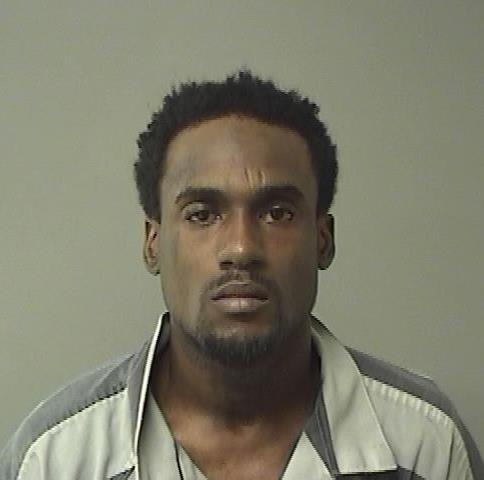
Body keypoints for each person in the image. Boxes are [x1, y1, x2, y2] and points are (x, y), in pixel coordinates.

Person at [0, 70, 482, 480]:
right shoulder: (55, 459)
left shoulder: (426, 446)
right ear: (153, 241)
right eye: (202, 214)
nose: (241, 248)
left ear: (323, 239)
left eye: (277, 213)